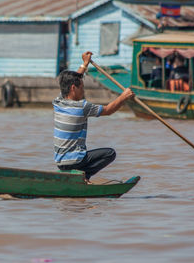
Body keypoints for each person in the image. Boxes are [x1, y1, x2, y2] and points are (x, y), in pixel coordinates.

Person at [53, 51, 135, 183]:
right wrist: (124, 96)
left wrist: (84, 65)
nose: (83, 91)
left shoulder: (58, 102)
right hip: (75, 161)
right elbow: (108, 110)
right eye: (82, 88)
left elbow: (76, 79)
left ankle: (79, 176)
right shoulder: (82, 107)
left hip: (60, 162)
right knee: (110, 153)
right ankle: (84, 177)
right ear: (74, 88)